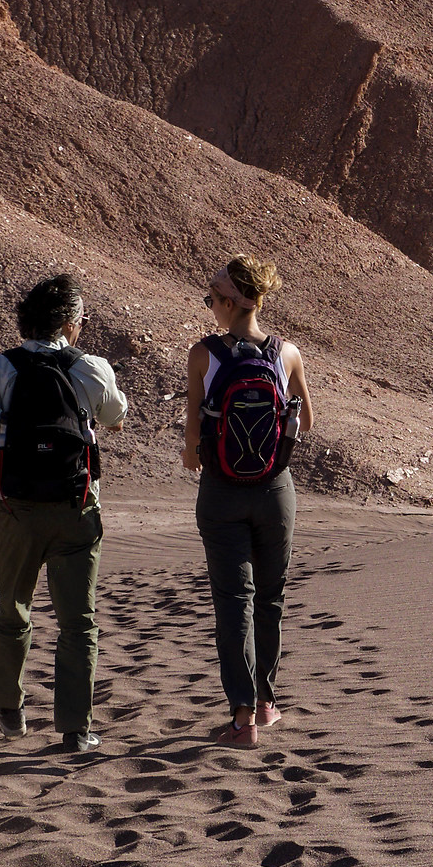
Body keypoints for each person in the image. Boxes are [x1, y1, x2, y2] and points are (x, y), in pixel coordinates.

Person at [0, 273, 127, 753]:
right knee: (79, 620)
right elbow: (116, 417)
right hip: (77, 509)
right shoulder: (91, 367)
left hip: (16, 508)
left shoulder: (0, 368)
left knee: (13, 607)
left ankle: (8, 706)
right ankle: (76, 728)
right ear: (71, 322)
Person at [184, 256, 313, 748]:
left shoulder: (204, 354)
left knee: (232, 601)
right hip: (275, 492)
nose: (209, 303)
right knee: (270, 598)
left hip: (221, 495)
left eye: (212, 296)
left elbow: (192, 447)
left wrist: (208, 448)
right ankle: (266, 703)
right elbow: (304, 423)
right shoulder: (289, 353)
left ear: (234, 301)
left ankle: (242, 721)